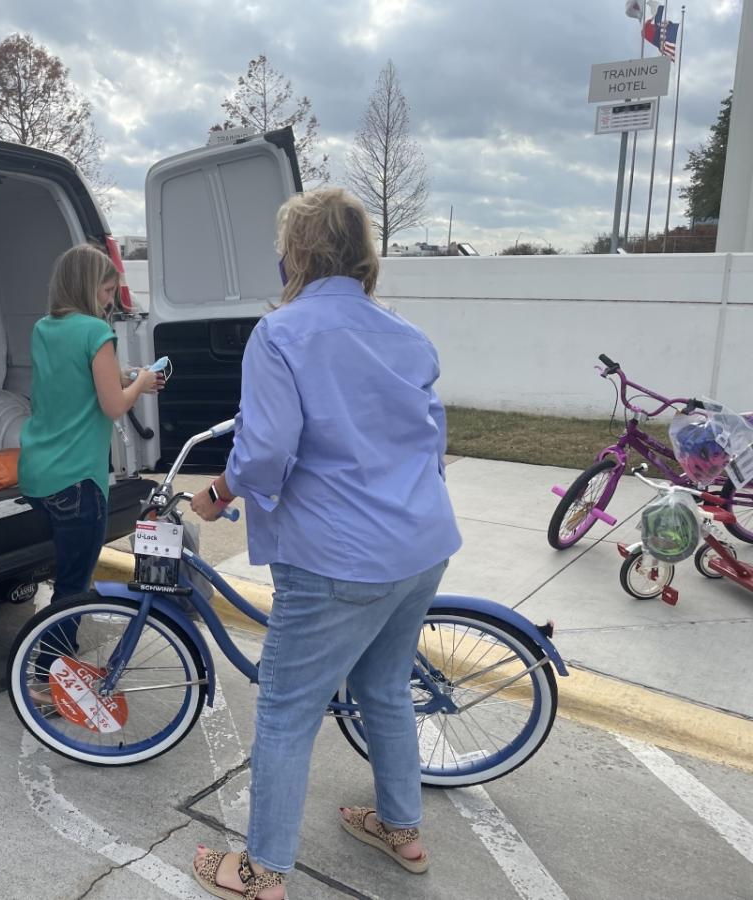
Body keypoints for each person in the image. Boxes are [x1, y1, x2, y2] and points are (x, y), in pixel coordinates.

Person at [188, 188, 462, 898]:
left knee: (285, 707)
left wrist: (219, 494)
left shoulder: (282, 332)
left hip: (337, 556)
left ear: (298, 252)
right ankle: (401, 830)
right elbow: (435, 442)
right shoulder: (406, 334)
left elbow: (267, 447)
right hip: (422, 542)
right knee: (384, 688)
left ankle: (262, 870)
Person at [19, 244, 161, 694]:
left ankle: (48, 667)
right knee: (73, 588)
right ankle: (47, 679)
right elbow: (114, 405)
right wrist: (139, 382)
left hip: (40, 473)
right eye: (105, 288)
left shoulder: (45, 328)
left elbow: (73, 380)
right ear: (87, 286)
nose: (110, 297)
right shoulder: (97, 333)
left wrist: (127, 375)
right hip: (79, 478)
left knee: (66, 575)